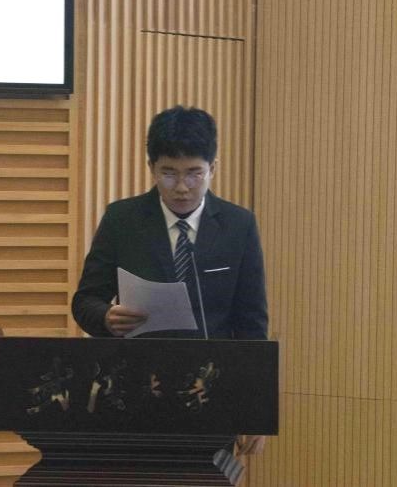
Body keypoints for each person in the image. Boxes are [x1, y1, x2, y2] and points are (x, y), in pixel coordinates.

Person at [71, 105, 268, 454]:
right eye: (168, 174)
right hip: (134, 392)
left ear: (213, 168)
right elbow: (85, 301)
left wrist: (255, 407)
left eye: (194, 174)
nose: (181, 187)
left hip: (210, 393)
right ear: (151, 167)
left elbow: (252, 325)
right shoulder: (122, 220)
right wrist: (106, 317)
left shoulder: (239, 225)